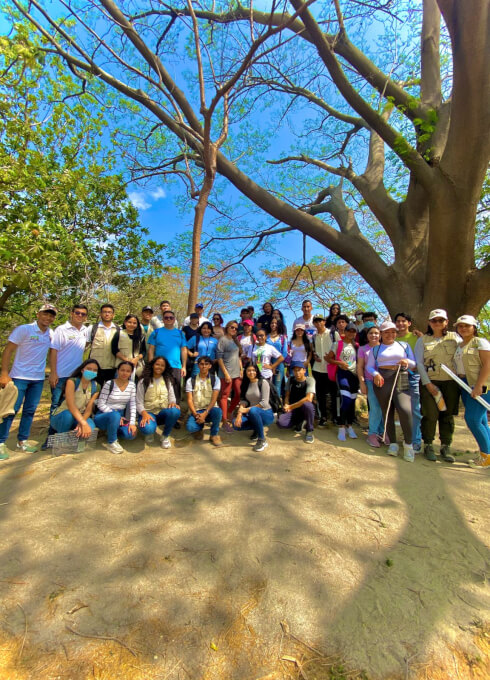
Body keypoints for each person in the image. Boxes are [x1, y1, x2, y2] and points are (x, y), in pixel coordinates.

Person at [0, 304, 57, 457]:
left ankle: (22, 441)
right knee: (10, 410)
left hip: (37, 379)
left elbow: (53, 353)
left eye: (51, 315)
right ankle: (1, 442)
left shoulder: (50, 334)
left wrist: (53, 372)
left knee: (30, 411)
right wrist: (4, 373)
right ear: (38, 314)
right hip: (19, 377)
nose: (48, 317)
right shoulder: (24, 329)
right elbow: (8, 351)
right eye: (45, 314)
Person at [414, 309, 460, 463]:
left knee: (447, 415)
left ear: (446, 322)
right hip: (430, 382)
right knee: (430, 414)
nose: (438, 323)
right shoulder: (423, 340)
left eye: (441, 320)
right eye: (434, 321)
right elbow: (419, 363)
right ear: (429, 323)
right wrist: (427, 383)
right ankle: (428, 445)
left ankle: (446, 446)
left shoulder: (455, 338)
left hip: (451, 383)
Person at [366, 321, 416, 462]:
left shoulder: (403, 346)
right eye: (386, 332)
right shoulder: (375, 350)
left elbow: (414, 363)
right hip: (382, 379)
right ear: (381, 334)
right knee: (387, 411)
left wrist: (407, 362)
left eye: (393, 331)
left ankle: (408, 445)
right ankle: (393, 443)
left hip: (401, 377)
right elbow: (370, 367)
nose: (390, 334)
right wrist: (375, 374)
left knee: (405, 410)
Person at [453, 315, 490, 469]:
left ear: (474, 327)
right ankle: (487, 452)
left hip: (480, 385)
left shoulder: (480, 342)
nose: (463, 328)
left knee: (472, 419)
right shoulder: (459, 345)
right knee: (481, 420)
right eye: (460, 326)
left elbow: (487, 364)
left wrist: (479, 385)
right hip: (465, 384)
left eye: (467, 325)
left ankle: (486, 456)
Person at [49, 304, 89, 417]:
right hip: (60, 375)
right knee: (56, 403)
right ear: (72, 314)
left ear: (86, 317)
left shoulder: (85, 331)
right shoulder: (61, 330)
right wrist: (53, 373)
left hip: (76, 375)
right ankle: (52, 432)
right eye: (77, 313)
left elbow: (85, 345)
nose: (80, 315)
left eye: (83, 314)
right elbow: (53, 351)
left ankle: (65, 432)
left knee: (72, 403)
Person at [136, 356, 181, 449]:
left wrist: (173, 403)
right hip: (148, 413)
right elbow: (138, 402)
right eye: (157, 364)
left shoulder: (167, 381)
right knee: (148, 429)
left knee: (175, 411)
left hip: (162, 412)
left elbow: (172, 397)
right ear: (152, 365)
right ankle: (149, 432)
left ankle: (165, 435)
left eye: (162, 365)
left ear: (165, 368)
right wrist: (144, 414)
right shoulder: (143, 381)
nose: (159, 367)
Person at [93, 361, 137, 454]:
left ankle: (111, 431)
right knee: (115, 416)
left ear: (131, 373)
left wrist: (132, 423)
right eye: (122, 370)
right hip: (104, 415)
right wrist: (115, 414)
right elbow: (101, 404)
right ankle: (112, 442)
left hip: (120, 415)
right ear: (118, 371)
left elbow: (133, 405)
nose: (125, 373)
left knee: (130, 435)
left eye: (128, 371)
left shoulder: (132, 385)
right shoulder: (110, 383)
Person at [50, 359, 100, 438]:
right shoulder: (72, 382)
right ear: (82, 370)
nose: (91, 372)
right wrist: (83, 422)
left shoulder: (96, 386)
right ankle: (61, 440)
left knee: (90, 426)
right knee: (68, 416)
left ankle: (78, 445)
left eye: (95, 370)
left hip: (80, 416)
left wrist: (82, 422)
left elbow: (89, 409)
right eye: (89, 369)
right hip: (63, 415)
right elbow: (71, 405)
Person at [395, 312, 422, 452]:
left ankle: (416, 440)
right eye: (398, 321)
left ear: (409, 323)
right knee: (403, 408)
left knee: (415, 409)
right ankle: (406, 438)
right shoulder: (391, 337)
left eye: (403, 321)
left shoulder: (416, 337)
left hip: (414, 375)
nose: (400, 323)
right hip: (398, 376)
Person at [327, 323, 359, 441]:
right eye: (349, 330)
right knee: (345, 400)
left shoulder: (356, 346)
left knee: (352, 401)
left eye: (354, 331)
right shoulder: (337, 344)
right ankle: (341, 426)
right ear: (345, 331)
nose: (351, 333)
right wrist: (340, 363)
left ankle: (349, 426)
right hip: (342, 374)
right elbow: (329, 358)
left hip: (354, 375)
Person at [147, 309, 186, 402]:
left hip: (175, 366)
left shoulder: (180, 333)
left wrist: (184, 366)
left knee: (176, 391)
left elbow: (184, 350)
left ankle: (175, 413)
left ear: (174, 319)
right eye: (166, 318)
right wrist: (150, 365)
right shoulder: (156, 332)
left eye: (171, 317)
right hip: (159, 367)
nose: (168, 319)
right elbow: (151, 350)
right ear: (163, 320)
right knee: (160, 391)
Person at [234, 364, 274, 452]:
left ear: (257, 371)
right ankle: (257, 428)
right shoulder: (245, 384)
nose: (251, 372)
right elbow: (244, 401)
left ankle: (262, 440)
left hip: (266, 413)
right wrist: (239, 415)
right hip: (253, 413)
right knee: (235, 424)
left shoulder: (263, 382)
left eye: (253, 370)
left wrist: (247, 410)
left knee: (253, 410)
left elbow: (264, 403)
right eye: (249, 370)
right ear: (245, 372)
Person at [185, 356, 223, 447]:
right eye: (201, 364)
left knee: (218, 411)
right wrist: (195, 414)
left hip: (210, 410)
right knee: (190, 427)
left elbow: (214, 400)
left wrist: (205, 413)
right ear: (198, 365)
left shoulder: (215, 380)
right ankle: (199, 429)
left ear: (210, 366)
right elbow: (189, 400)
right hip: (197, 411)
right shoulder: (191, 380)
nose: (204, 366)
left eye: (206, 364)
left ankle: (214, 435)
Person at [357, 325, 384, 447]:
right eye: (371, 333)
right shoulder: (363, 349)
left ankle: (383, 432)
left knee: (384, 407)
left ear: (380, 335)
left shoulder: (384, 348)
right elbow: (360, 367)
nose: (374, 335)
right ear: (367, 336)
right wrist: (362, 383)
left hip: (386, 382)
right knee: (375, 407)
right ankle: (372, 434)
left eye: (376, 333)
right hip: (369, 381)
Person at [277, 362, 315, 444]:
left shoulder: (310, 380)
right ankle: (299, 422)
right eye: (295, 371)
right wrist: (286, 405)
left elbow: (309, 398)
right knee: (281, 423)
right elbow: (287, 395)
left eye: (299, 370)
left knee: (308, 405)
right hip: (293, 409)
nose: (297, 372)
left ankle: (309, 430)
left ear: (304, 370)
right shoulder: (291, 380)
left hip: (303, 408)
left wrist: (291, 407)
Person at [217, 320, 243, 433]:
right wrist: (226, 373)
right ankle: (224, 421)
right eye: (232, 327)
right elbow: (219, 358)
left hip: (237, 372)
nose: (234, 330)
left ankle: (229, 411)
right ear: (227, 327)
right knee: (224, 395)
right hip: (226, 373)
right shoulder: (222, 340)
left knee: (238, 393)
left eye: (236, 328)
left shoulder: (235, 340)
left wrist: (241, 369)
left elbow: (238, 357)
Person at [87, 303, 119, 386]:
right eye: (104, 312)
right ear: (100, 314)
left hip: (112, 368)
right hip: (94, 368)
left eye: (109, 312)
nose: (107, 314)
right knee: (91, 392)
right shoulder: (92, 328)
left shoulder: (119, 329)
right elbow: (84, 346)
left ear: (113, 315)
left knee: (110, 393)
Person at [312, 315, 335, 427]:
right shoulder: (313, 336)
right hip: (317, 369)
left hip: (331, 368)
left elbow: (340, 347)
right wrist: (315, 356)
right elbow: (313, 350)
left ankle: (336, 417)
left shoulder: (332, 333)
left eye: (320, 321)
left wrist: (331, 357)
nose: (318, 323)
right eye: (315, 322)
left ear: (324, 322)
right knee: (320, 395)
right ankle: (323, 417)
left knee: (334, 393)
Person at [111, 314, 145, 379]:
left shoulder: (141, 336)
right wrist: (127, 360)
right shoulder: (119, 334)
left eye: (134, 323)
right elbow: (114, 349)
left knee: (134, 387)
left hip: (136, 367)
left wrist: (136, 359)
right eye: (129, 322)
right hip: (121, 366)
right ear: (125, 322)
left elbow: (143, 351)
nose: (132, 324)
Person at [267, 317, 288, 396]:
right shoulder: (266, 337)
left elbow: (284, 353)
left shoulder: (282, 338)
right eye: (272, 323)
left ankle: (277, 406)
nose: (274, 325)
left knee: (277, 387)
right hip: (267, 364)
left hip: (279, 365)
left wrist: (274, 366)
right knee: (267, 386)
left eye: (276, 323)